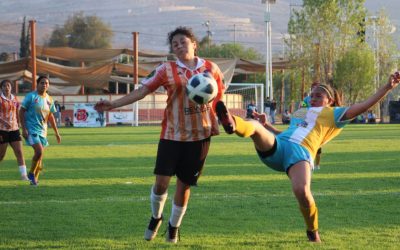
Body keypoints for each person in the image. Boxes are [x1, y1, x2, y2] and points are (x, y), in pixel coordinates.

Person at [215, 73, 400, 242]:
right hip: (279, 146)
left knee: (302, 191)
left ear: (330, 100)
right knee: (255, 125)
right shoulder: (301, 112)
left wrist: (387, 87)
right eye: (311, 95)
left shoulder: (334, 114)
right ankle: (231, 123)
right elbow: (288, 133)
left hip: (301, 154)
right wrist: (268, 125)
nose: (313, 98)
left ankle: (312, 232)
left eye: (318, 96)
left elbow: (364, 105)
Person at [94, 26, 225, 244]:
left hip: (200, 136)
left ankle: (174, 227)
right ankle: (156, 217)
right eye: (175, 44)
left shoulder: (212, 68)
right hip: (172, 134)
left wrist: (226, 119)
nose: (179, 45)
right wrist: (114, 104)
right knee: (161, 183)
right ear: (172, 50)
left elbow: (219, 98)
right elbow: (143, 90)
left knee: (184, 186)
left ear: (194, 44)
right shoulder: (166, 69)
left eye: (183, 41)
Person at [19, 76, 61, 186]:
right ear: (37, 84)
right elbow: (21, 112)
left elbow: (51, 116)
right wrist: (24, 128)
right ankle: (31, 173)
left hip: (43, 131)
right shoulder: (31, 96)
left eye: (46, 83)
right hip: (31, 129)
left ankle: (34, 181)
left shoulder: (49, 99)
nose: (44, 85)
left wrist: (57, 133)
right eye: (42, 83)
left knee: (40, 157)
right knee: (39, 152)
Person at [0, 79, 28, 180]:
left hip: (14, 129)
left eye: (8, 86)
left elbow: (17, 112)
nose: (6, 87)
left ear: (11, 87)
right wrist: (4, 122)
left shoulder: (15, 99)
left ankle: (24, 176)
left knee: (19, 152)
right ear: (1, 88)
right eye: (4, 86)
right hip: (2, 130)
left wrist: (19, 125)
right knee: (1, 155)